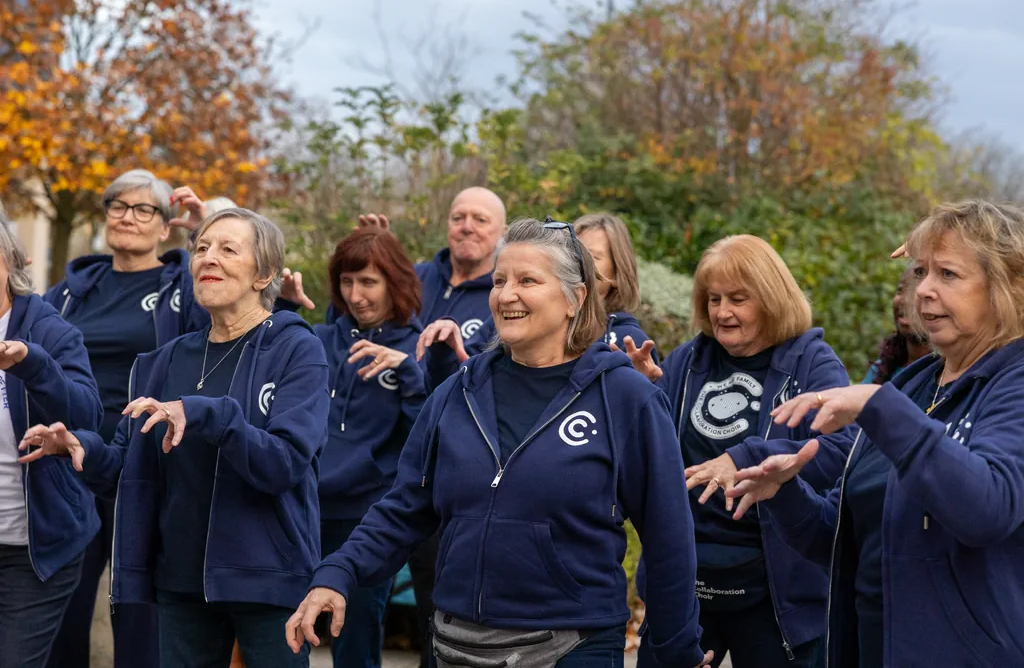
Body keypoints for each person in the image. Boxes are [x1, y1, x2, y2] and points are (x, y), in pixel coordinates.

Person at [286, 218, 712, 668]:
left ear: (576, 297)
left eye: (528, 280)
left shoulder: (626, 398)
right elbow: (404, 507)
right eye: (500, 281)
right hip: (455, 645)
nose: (506, 295)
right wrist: (339, 572)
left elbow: (669, 539)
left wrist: (674, 648)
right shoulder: (458, 392)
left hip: (571, 646)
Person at [23, 208, 331, 668]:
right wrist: (81, 450)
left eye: (228, 249)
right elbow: (129, 471)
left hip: (268, 577)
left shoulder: (296, 348)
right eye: (202, 248)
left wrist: (212, 415)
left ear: (264, 273)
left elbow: (284, 463)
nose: (209, 258)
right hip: (181, 580)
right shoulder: (163, 361)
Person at [727, 200, 1024, 667]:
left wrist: (878, 406)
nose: (922, 290)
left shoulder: (1014, 380)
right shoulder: (911, 385)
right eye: (921, 271)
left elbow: (987, 509)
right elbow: (845, 541)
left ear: (1009, 287)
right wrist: (785, 493)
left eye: (947, 274)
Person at [626, 235, 856, 668]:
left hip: (773, 596)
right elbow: (651, 452)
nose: (722, 312)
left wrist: (746, 457)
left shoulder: (812, 362)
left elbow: (842, 448)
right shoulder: (688, 360)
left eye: (738, 299)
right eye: (713, 299)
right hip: (684, 589)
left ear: (771, 299)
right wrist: (639, 394)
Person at [43, 171, 211, 668]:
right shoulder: (70, 293)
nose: (128, 217)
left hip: (145, 460)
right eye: (118, 205)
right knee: (62, 605)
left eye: (144, 210)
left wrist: (204, 233)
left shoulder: (184, 286)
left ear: (166, 228)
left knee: (140, 612)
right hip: (69, 458)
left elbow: (227, 324)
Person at [349, 187, 507, 666]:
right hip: (392, 469)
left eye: (480, 219)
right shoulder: (419, 277)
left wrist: (415, 362)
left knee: (441, 619)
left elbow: (501, 379)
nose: (467, 226)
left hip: (458, 477)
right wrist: (381, 254)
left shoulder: (504, 292)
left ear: (501, 232)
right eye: (459, 216)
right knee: (368, 602)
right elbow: (366, 313)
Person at [278, 227, 427, 668]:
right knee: (283, 635)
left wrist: (409, 376)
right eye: (347, 282)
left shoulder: (415, 349)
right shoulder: (320, 339)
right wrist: (284, 308)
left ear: (394, 282)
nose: (357, 294)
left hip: (365, 521)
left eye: (368, 282)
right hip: (300, 510)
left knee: (355, 639)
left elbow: (427, 440)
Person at [0, 210, 102, 668]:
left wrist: (32, 364)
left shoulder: (48, 330)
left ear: (8, 261)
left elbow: (87, 415)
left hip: (34, 550)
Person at [418, 212, 659, 366]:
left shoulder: (628, 340)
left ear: (618, 274)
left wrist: (638, 387)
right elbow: (459, 380)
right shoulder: (513, 322)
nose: (577, 262)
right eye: (571, 252)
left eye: (591, 256)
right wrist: (444, 352)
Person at [862, 265, 930, 384]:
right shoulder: (881, 370)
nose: (904, 300)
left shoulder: (945, 375)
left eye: (915, 292)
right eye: (900, 290)